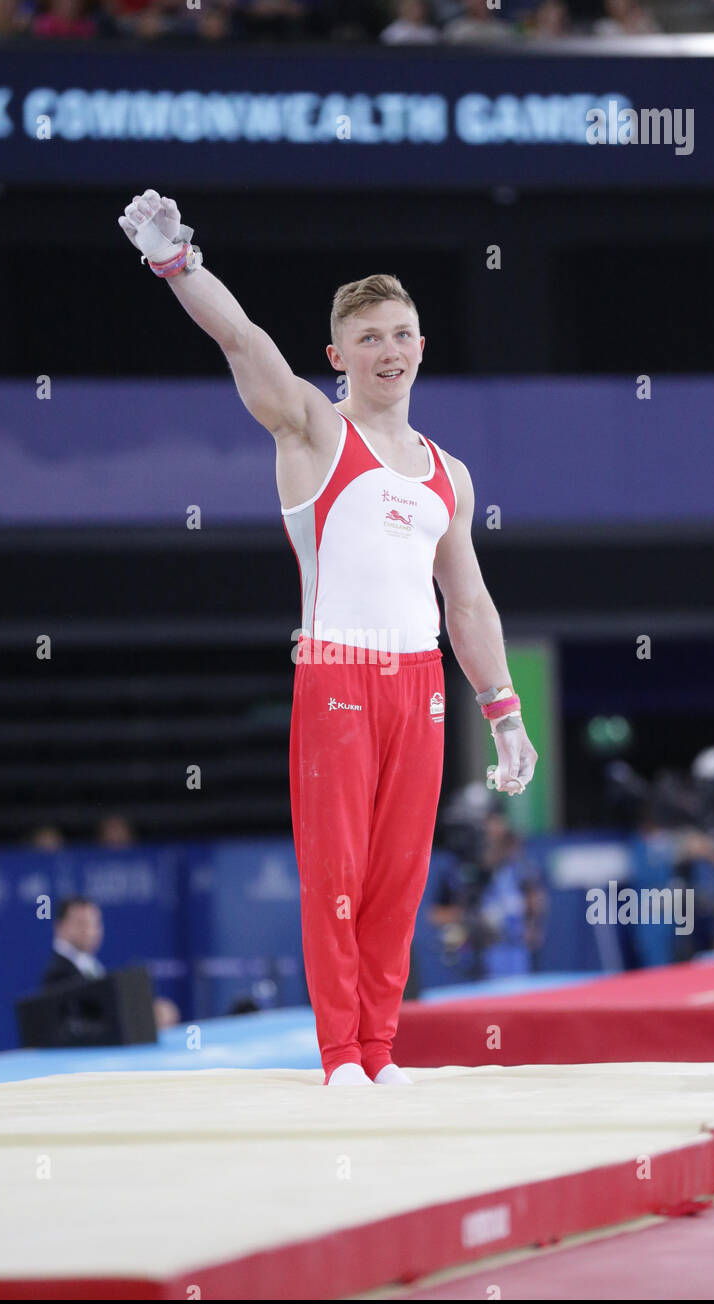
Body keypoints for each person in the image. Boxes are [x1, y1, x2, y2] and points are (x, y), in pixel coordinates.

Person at [118, 190, 538, 1085]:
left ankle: (381, 1053)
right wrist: (176, 262)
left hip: (419, 685)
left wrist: (503, 712)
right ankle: (340, 1054)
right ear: (336, 356)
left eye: (401, 334)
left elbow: (468, 603)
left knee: (399, 879)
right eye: (369, 338)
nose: (388, 351)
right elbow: (241, 341)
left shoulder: (447, 477)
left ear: (422, 346)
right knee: (336, 874)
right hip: (338, 680)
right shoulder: (312, 428)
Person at [430, 809, 546, 979]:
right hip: (485, 950)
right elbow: (437, 914)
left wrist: (534, 925)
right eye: (491, 839)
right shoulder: (466, 871)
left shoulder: (520, 869)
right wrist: (466, 918)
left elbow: (535, 899)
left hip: (516, 949)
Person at [42, 896, 179, 1030]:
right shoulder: (58, 972)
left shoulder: (87, 964)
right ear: (59, 926)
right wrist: (145, 1015)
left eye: (95, 923)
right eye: (81, 923)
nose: (90, 931)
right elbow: (86, 1024)